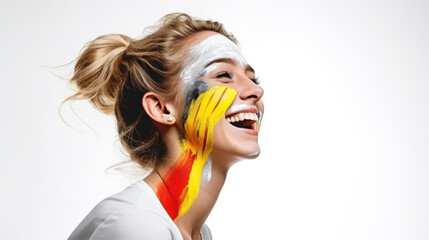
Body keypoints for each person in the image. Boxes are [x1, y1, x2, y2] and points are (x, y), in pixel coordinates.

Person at [67, 13, 264, 240]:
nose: (256, 91)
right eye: (223, 75)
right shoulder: (137, 226)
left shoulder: (196, 233)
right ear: (161, 108)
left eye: (253, 79)